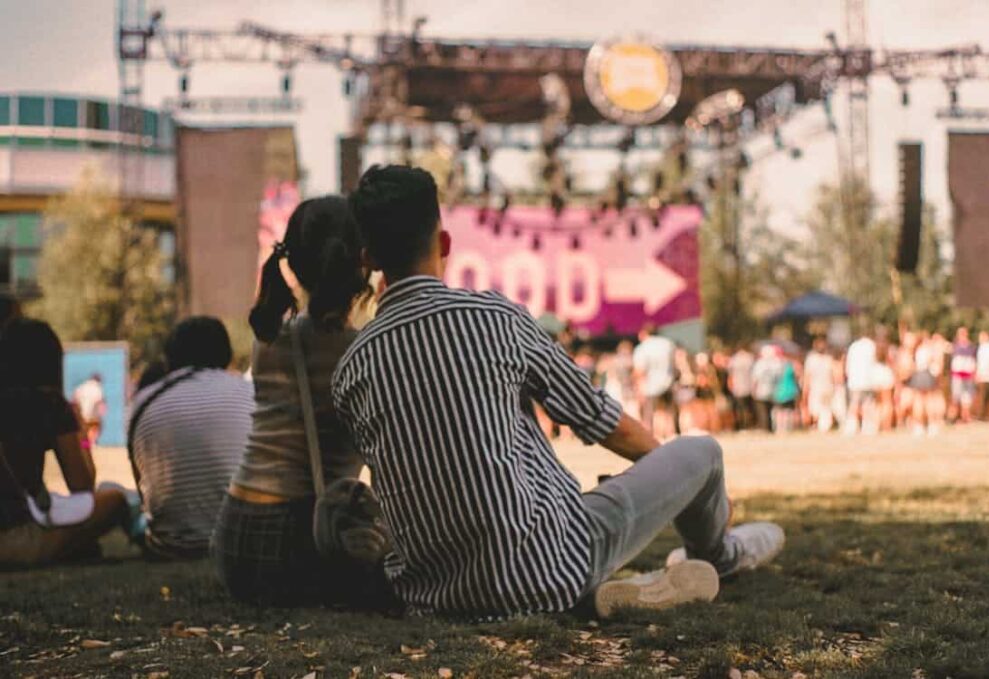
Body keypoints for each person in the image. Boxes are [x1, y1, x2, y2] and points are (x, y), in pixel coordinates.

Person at [333, 165, 784, 621]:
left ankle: (610, 591)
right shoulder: (493, 317)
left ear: (368, 258)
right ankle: (720, 554)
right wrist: (685, 488)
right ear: (445, 243)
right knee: (701, 452)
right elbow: (603, 421)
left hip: (437, 598)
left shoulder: (350, 370)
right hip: (552, 564)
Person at [212, 195, 392, 609]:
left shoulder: (270, 341)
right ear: (363, 261)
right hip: (303, 538)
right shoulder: (361, 350)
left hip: (234, 539)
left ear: (293, 265)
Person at [0, 318, 129, 566]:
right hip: (16, 535)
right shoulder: (48, 403)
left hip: (24, 518)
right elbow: (82, 485)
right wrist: (80, 434)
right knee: (115, 500)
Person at [128, 317, 254, 558]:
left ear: (170, 357)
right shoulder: (249, 393)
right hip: (242, 541)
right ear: (226, 354)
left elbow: (143, 488)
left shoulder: (145, 400)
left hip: (171, 546)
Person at [633, 323, 680, 439]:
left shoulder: (642, 347)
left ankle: (651, 438)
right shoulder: (668, 344)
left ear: (644, 333)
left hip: (650, 386)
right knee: (670, 412)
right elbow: (675, 365)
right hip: (669, 382)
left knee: (650, 414)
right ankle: (672, 434)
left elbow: (639, 371)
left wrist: (639, 389)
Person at [844, 328, 877, 435]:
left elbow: (848, 364)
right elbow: (874, 362)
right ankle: (867, 426)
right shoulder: (871, 346)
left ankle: (851, 426)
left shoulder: (853, 346)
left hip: (854, 380)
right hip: (868, 380)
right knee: (867, 404)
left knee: (854, 403)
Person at [802, 337, 835, 432]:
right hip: (816, 388)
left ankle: (822, 427)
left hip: (826, 388)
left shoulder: (827, 359)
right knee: (816, 409)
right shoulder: (812, 359)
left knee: (823, 409)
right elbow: (807, 376)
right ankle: (819, 426)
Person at [948, 327, 976, 424]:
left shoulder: (971, 347)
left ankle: (966, 417)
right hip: (957, 376)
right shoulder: (955, 347)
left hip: (968, 376)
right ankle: (953, 417)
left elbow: (973, 361)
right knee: (956, 397)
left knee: (967, 398)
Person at [751, 346, 780, 432]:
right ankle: (772, 428)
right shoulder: (776, 363)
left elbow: (755, 378)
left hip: (761, 391)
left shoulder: (759, 364)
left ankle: (765, 428)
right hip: (774, 391)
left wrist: (753, 390)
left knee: (762, 411)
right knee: (772, 410)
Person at [73, 373, 106, 447]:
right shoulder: (97, 388)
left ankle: (85, 444)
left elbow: (74, 401)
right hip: (92, 414)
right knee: (94, 429)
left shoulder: (80, 388)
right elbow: (100, 403)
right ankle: (91, 443)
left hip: (81, 415)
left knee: (84, 430)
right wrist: (101, 414)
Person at [727, 345, 755, 431]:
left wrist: (730, 385)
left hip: (737, 387)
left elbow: (730, 375)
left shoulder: (734, 360)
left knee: (739, 408)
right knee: (748, 408)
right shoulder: (750, 359)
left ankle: (741, 426)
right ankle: (747, 425)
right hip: (749, 387)